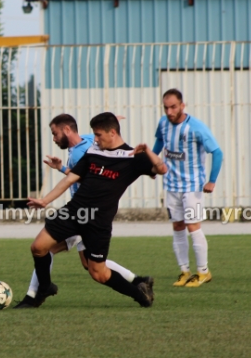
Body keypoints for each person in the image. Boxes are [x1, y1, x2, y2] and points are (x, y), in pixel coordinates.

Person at [26, 112, 167, 308]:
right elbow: (71, 178)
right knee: (38, 247)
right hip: (74, 211)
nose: (95, 139)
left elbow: (162, 169)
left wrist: (148, 151)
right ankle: (43, 288)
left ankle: (139, 294)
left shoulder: (133, 157)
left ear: (112, 133)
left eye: (98, 135)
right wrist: (44, 201)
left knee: (97, 272)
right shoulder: (93, 151)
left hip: (98, 221)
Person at [153, 89, 223, 287]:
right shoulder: (163, 123)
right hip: (171, 185)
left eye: (173, 107)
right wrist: (153, 163)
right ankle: (185, 271)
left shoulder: (196, 127)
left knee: (193, 227)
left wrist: (212, 180)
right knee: (177, 227)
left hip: (193, 187)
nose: (169, 111)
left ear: (182, 106)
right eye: (166, 107)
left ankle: (203, 272)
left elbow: (217, 152)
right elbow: (159, 142)